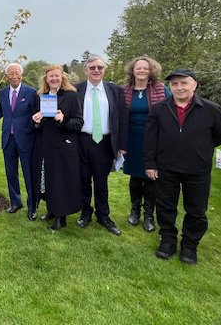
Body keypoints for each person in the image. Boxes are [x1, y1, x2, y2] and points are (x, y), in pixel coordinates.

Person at [145, 69, 221, 264]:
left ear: (194, 85)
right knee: (166, 206)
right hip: (166, 167)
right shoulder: (159, 109)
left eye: (184, 83)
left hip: (197, 169)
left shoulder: (210, 109)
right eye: (174, 84)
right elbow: (150, 138)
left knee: (197, 209)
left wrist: (201, 147)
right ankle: (167, 240)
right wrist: (150, 163)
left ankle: (190, 245)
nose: (179, 87)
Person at [75, 54, 128, 236]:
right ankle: (85, 212)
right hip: (82, 140)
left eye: (100, 67)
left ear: (105, 69)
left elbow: (122, 119)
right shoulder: (76, 90)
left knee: (101, 181)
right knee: (83, 180)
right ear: (86, 71)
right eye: (92, 68)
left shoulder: (115, 90)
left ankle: (103, 216)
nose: (96, 70)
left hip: (105, 142)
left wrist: (122, 144)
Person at [31, 65, 84, 231]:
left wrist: (63, 119)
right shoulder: (42, 97)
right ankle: (52, 210)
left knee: (61, 182)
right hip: (46, 146)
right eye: (50, 76)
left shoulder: (71, 96)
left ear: (62, 78)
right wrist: (36, 121)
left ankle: (62, 218)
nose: (54, 79)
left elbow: (79, 122)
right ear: (46, 79)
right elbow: (37, 126)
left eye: (57, 76)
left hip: (63, 146)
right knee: (48, 180)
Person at [122, 56, 170, 232]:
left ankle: (149, 214)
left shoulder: (161, 89)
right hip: (132, 139)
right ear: (132, 71)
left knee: (151, 177)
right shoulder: (125, 90)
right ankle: (134, 210)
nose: (141, 71)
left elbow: (172, 109)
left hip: (154, 139)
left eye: (145, 68)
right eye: (138, 68)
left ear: (151, 71)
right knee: (135, 177)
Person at [0, 63, 39, 220]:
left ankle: (32, 207)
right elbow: (1, 111)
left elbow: (36, 114)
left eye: (17, 73)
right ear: (7, 76)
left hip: (26, 139)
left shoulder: (31, 92)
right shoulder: (3, 93)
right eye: (11, 74)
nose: (14, 76)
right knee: (11, 173)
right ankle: (16, 202)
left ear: (21, 75)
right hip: (8, 139)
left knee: (28, 174)